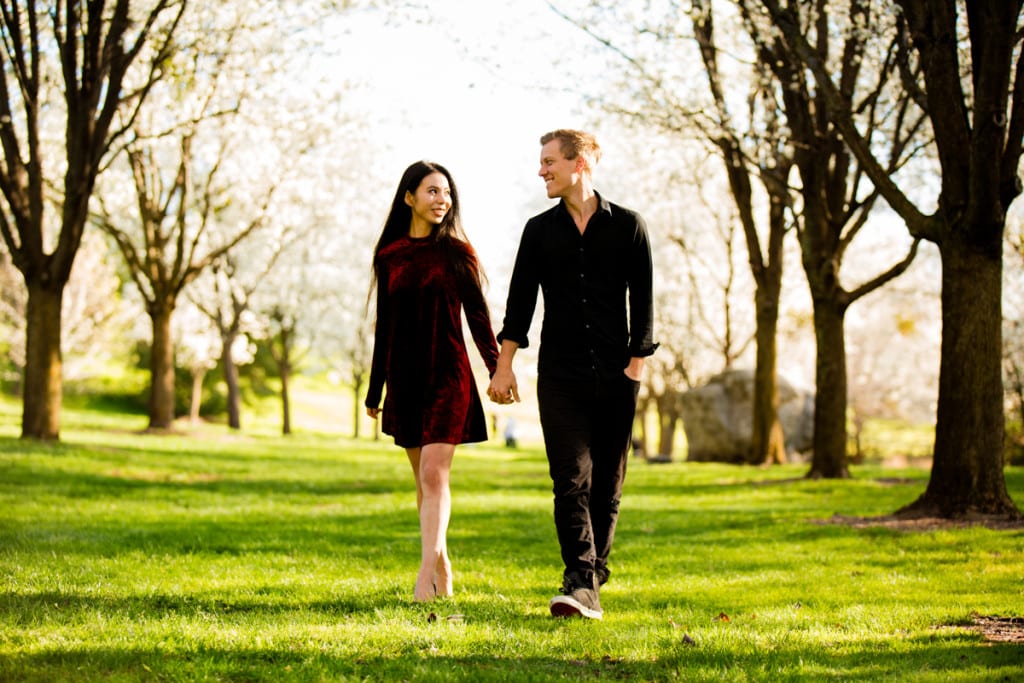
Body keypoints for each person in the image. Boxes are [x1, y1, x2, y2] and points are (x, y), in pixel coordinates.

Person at [487, 130, 657, 620]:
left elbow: (643, 303)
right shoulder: (538, 232)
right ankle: (579, 580)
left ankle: (591, 580)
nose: (541, 170)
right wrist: (505, 366)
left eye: (548, 162)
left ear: (578, 163)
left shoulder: (628, 226)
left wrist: (634, 369)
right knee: (570, 480)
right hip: (560, 376)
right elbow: (520, 305)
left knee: (608, 484)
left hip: (617, 375)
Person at [366, 160, 499, 603]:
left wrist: (497, 366)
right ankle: (441, 560)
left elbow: (479, 317)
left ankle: (425, 574)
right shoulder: (389, 257)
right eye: (432, 191)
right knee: (422, 483)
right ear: (409, 197)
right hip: (405, 380)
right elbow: (384, 326)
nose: (442, 200)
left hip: (448, 374)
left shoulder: (458, 254)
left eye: (446, 193)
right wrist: (375, 388)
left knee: (435, 473)